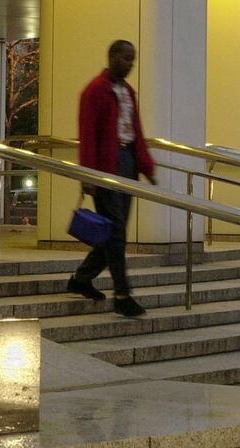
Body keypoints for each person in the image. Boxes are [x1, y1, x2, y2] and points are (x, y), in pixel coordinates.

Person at [67, 40, 156, 317]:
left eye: (133, 59)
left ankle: (81, 279)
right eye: (127, 58)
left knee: (114, 233)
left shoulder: (128, 92)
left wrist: (146, 166)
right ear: (113, 57)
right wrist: (89, 175)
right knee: (116, 232)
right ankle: (122, 293)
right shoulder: (95, 91)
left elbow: (136, 132)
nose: (131, 64)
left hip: (127, 163)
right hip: (107, 166)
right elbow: (88, 136)